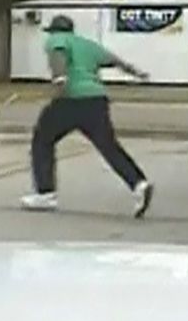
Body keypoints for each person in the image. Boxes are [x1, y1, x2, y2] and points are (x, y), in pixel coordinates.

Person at [20, 14, 154, 218]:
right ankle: (138, 183)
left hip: (71, 98)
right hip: (97, 100)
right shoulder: (87, 44)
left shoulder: (57, 40)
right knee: (108, 146)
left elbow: (59, 59)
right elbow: (114, 60)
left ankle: (45, 193)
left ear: (56, 30)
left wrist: (59, 81)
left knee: (42, 138)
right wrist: (137, 73)